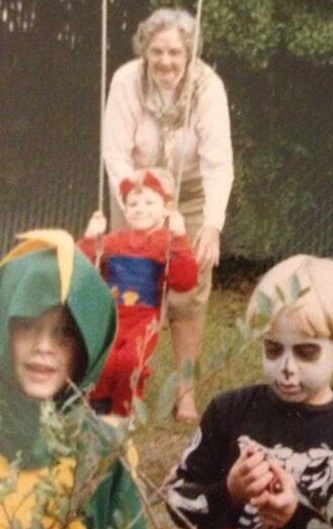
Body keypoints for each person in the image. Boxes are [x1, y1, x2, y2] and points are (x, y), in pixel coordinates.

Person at [165, 255, 333, 529]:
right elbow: (175, 497)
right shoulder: (228, 412)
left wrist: (301, 512)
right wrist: (228, 492)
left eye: (306, 353)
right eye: (273, 349)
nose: (287, 367)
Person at [103, 7, 234, 422]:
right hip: (136, 189)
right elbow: (115, 152)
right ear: (144, 50)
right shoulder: (126, 80)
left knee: (188, 289)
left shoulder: (209, 88)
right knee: (128, 283)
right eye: (157, 52)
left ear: (190, 53)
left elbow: (218, 163)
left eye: (175, 53)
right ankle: (117, 381)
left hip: (191, 191)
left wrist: (211, 224)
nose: (165, 61)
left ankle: (185, 391)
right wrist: (139, 208)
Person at [0, 229, 145, 529]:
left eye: (64, 332)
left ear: (87, 346)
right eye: (27, 325)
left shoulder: (103, 453)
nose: (43, 346)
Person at [78, 168, 198, 416]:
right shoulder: (114, 241)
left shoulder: (167, 242)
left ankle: (124, 410)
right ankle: (99, 405)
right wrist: (90, 238)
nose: (139, 208)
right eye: (133, 203)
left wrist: (181, 238)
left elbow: (184, 282)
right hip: (111, 316)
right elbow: (81, 267)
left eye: (148, 202)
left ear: (167, 209)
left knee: (131, 360)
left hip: (144, 320)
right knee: (106, 358)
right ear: (125, 209)